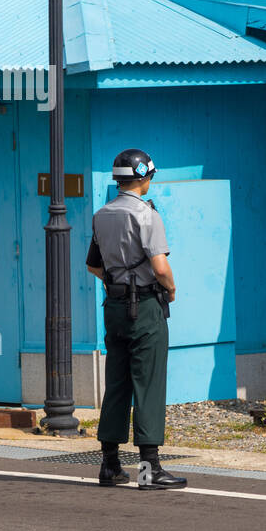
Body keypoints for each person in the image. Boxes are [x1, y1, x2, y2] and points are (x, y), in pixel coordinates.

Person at [85, 148, 186, 490]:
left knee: (117, 383)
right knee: (148, 383)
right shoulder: (147, 216)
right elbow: (160, 267)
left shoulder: (101, 214)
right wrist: (170, 290)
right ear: (144, 177)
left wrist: (117, 282)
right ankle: (149, 470)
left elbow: (93, 265)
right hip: (144, 307)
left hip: (113, 308)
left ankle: (110, 465)